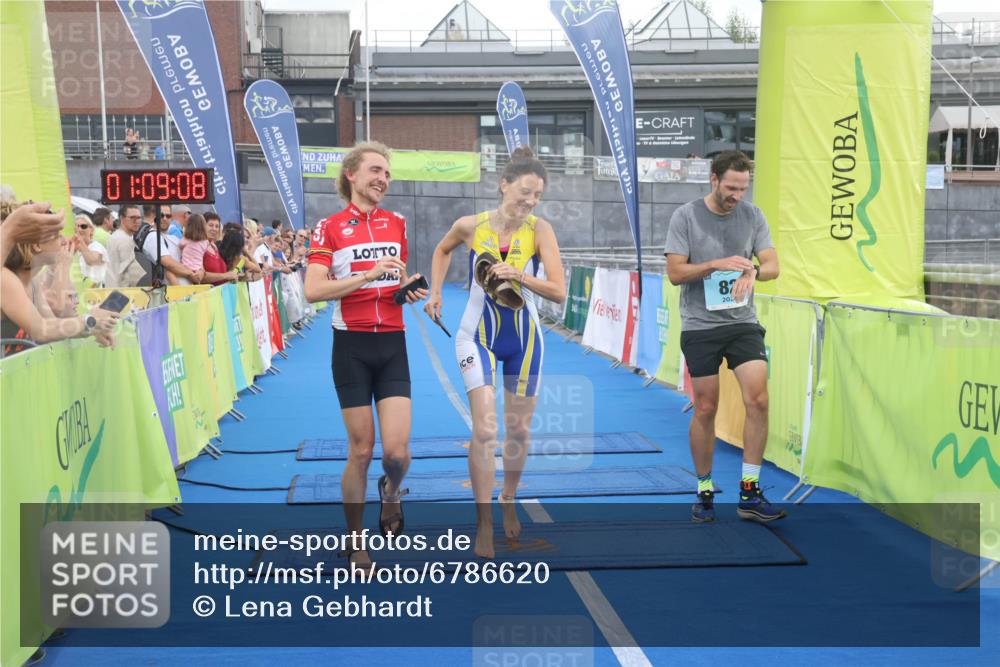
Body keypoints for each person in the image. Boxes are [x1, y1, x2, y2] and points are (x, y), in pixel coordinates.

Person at [424, 146, 566, 559]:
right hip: (476, 337)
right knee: (485, 430)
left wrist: (518, 274)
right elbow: (441, 250)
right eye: (525, 191)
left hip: (524, 339)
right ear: (504, 185)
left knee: (518, 432)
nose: (530, 201)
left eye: (537, 195)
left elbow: (558, 290)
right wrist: (435, 291)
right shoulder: (470, 225)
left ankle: (508, 497)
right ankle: (483, 521)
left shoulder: (541, 231)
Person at [303, 141, 428, 572]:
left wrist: (408, 289)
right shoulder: (329, 228)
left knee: (397, 454)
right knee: (361, 450)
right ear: (351, 174)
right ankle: (356, 543)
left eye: (388, 173)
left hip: (393, 342)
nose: (383, 179)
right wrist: (366, 275)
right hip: (352, 346)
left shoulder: (396, 223)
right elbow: (313, 290)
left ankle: (391, 492)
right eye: (376, 170)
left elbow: (391, 287)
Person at [664, 149, 784, 524]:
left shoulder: (753, 215)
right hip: (700, 325)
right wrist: (715, 264)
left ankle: (749, 491)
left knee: (759, 399)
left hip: (742, 322)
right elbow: (675, 273)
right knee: (705, 408)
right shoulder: (684, 216)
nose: (737, 195)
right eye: (731, 187)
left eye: (743, 188)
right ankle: (703, 487)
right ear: (713, 179)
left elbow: (773, 266)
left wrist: (753, 272)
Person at [1, 201, 119, 354]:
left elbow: (52, 325)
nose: (64, 240)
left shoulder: (32, 280)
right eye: (57, 236)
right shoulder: (5, 277)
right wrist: (89, 320)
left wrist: (92, 327)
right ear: (37, 245)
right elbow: (41, 330)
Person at [143, 205, 200, 285]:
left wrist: (200, 270)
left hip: (189, 290)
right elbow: (168, 263)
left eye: (168, 216)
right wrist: (191, 274)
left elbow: (194, 257)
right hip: (169, 294)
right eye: (161, 215)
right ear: (154, 217)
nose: (165, 218)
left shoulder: (174, 238)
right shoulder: (152, 236)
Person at [106, 204, 149, 287]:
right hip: (123, 293)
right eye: (132, 218)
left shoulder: (115, 236)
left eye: (139, 218)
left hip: (112, 289)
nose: (136, 221)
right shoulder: (125, 240)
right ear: (122, 218)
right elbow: (130, 277)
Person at [72, 214, 108, 288]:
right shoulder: (73, 249)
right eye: (76, 226)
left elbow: (92, 261)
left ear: (91, 230)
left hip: (94, 294)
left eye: (83, 226)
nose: (79, 229)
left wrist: (80, 241)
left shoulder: (97, 246)